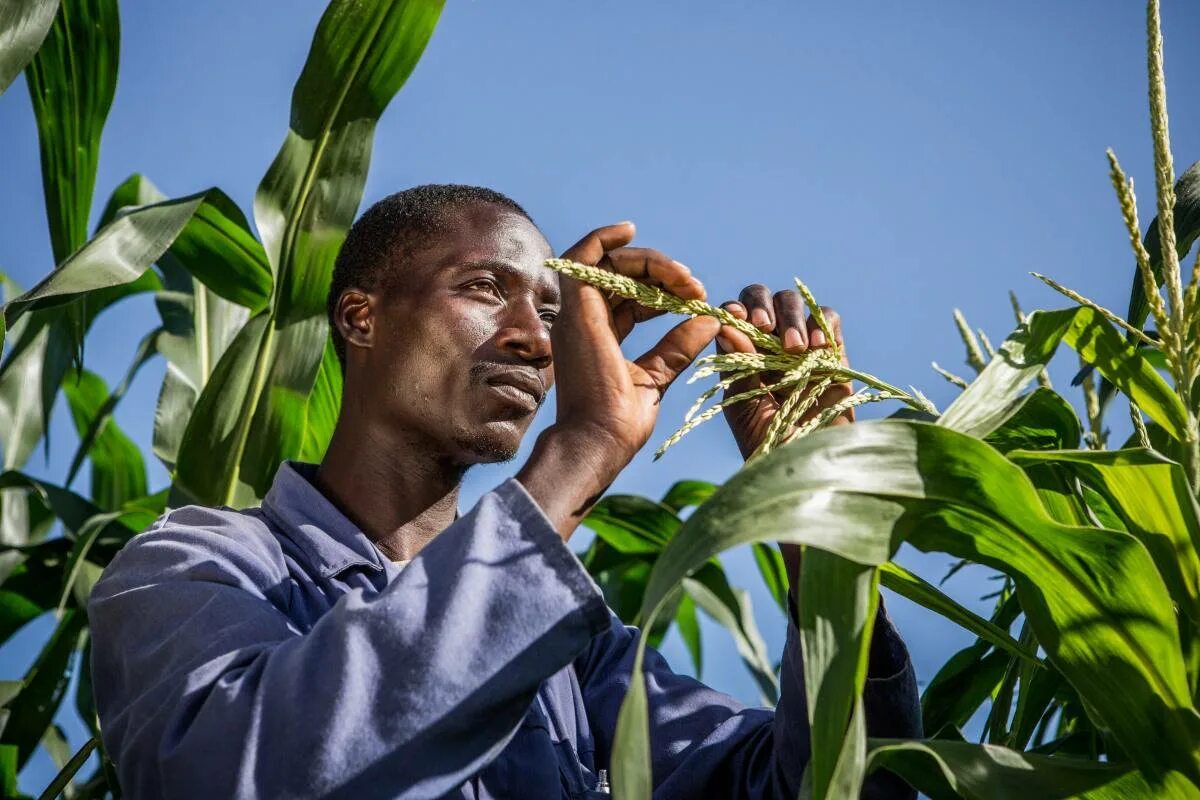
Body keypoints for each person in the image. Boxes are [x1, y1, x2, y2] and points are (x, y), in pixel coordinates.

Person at [88, 184, 921, 799]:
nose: (533, 339)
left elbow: (836, 789)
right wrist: (580, 453)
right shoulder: (190, 569)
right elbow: (250, 775)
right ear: (359, 317)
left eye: (554, 315)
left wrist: (819, 525)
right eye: (485, 289)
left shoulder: (578, 659)